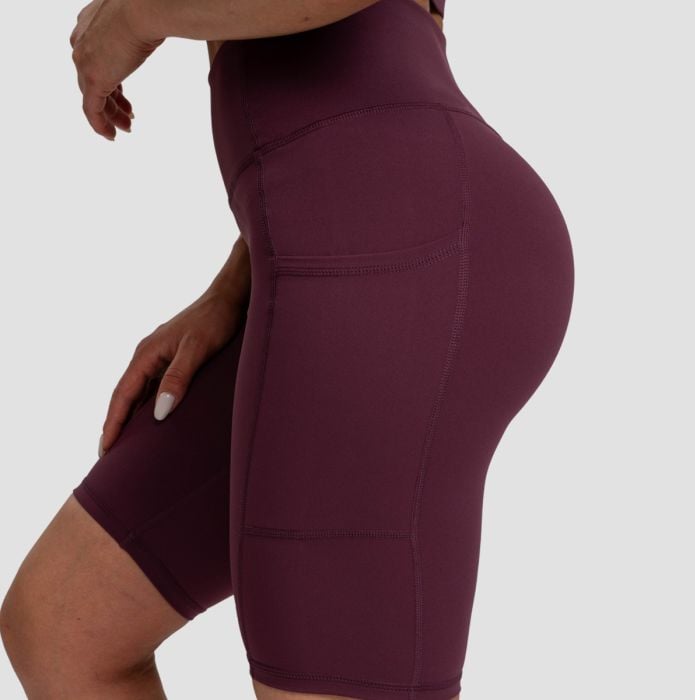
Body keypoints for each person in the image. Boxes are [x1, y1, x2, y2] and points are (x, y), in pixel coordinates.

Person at [0, 1, 575, 698]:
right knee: (64, 625)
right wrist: (238, 283)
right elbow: (375, 72)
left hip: (398, 256)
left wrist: (132, 17)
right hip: (366, 241)